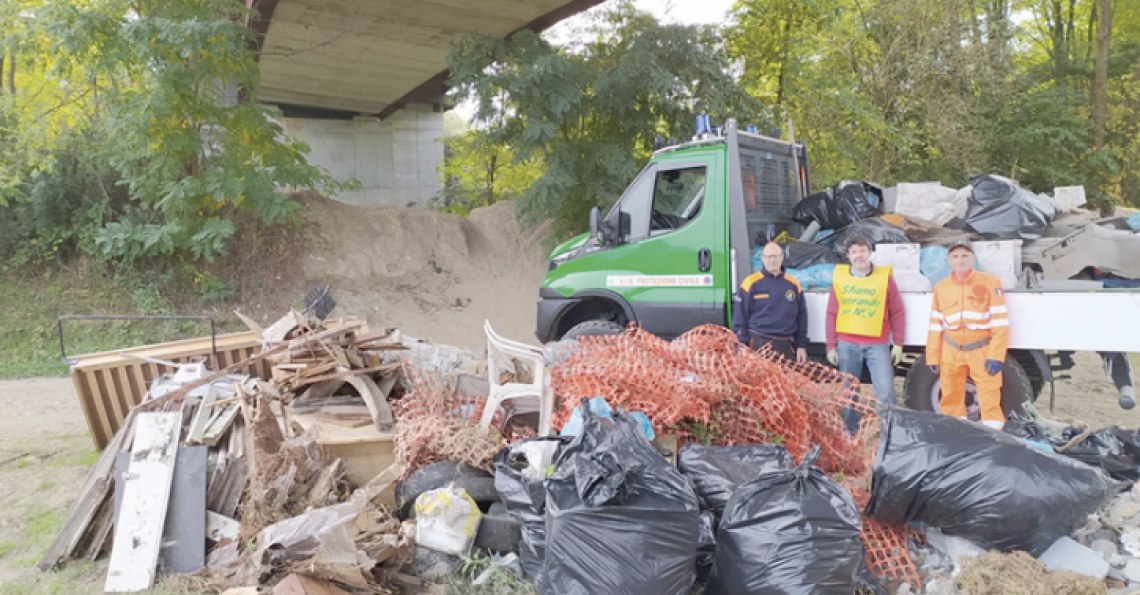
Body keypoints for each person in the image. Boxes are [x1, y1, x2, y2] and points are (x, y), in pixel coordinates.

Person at [825, 236, 906, 433]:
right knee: (848, 392)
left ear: (870, 253)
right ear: (848, 256)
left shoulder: (885, 279)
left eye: (862, 250)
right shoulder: (840, 279)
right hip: (847, 344)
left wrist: (898, 343)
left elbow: (897, 311)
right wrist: (830, 345)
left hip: (877, 344)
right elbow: (831, 313)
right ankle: (851, 433)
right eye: (854, 251)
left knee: (886, 392)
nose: (858, 255)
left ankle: (889, 432)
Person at [926, 240, 1009, 430]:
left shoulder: (991, 283)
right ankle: (956, 435)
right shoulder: (941, 287)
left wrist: (996, 355)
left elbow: (1000, 324)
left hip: (981, 349)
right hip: (951, 350)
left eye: (964, 255)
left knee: (989, 397)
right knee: (950, 397)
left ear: (974, 258)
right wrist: (932, 355)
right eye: (955, 256)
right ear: (948, 260)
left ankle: (994, 437)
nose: (960, 260)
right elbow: (935, 324)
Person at [732, 242, 808, 363]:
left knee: (784, 381)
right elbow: (739, 317)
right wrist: (741, 344)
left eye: (776, 256)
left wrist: (801, 346)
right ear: (762, 258)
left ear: (782, 257)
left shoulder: (793, 284)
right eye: (769, 256)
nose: (772, 260)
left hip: (785, 345)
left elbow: (801, 317)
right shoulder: (750, 283)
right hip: (757, 344)